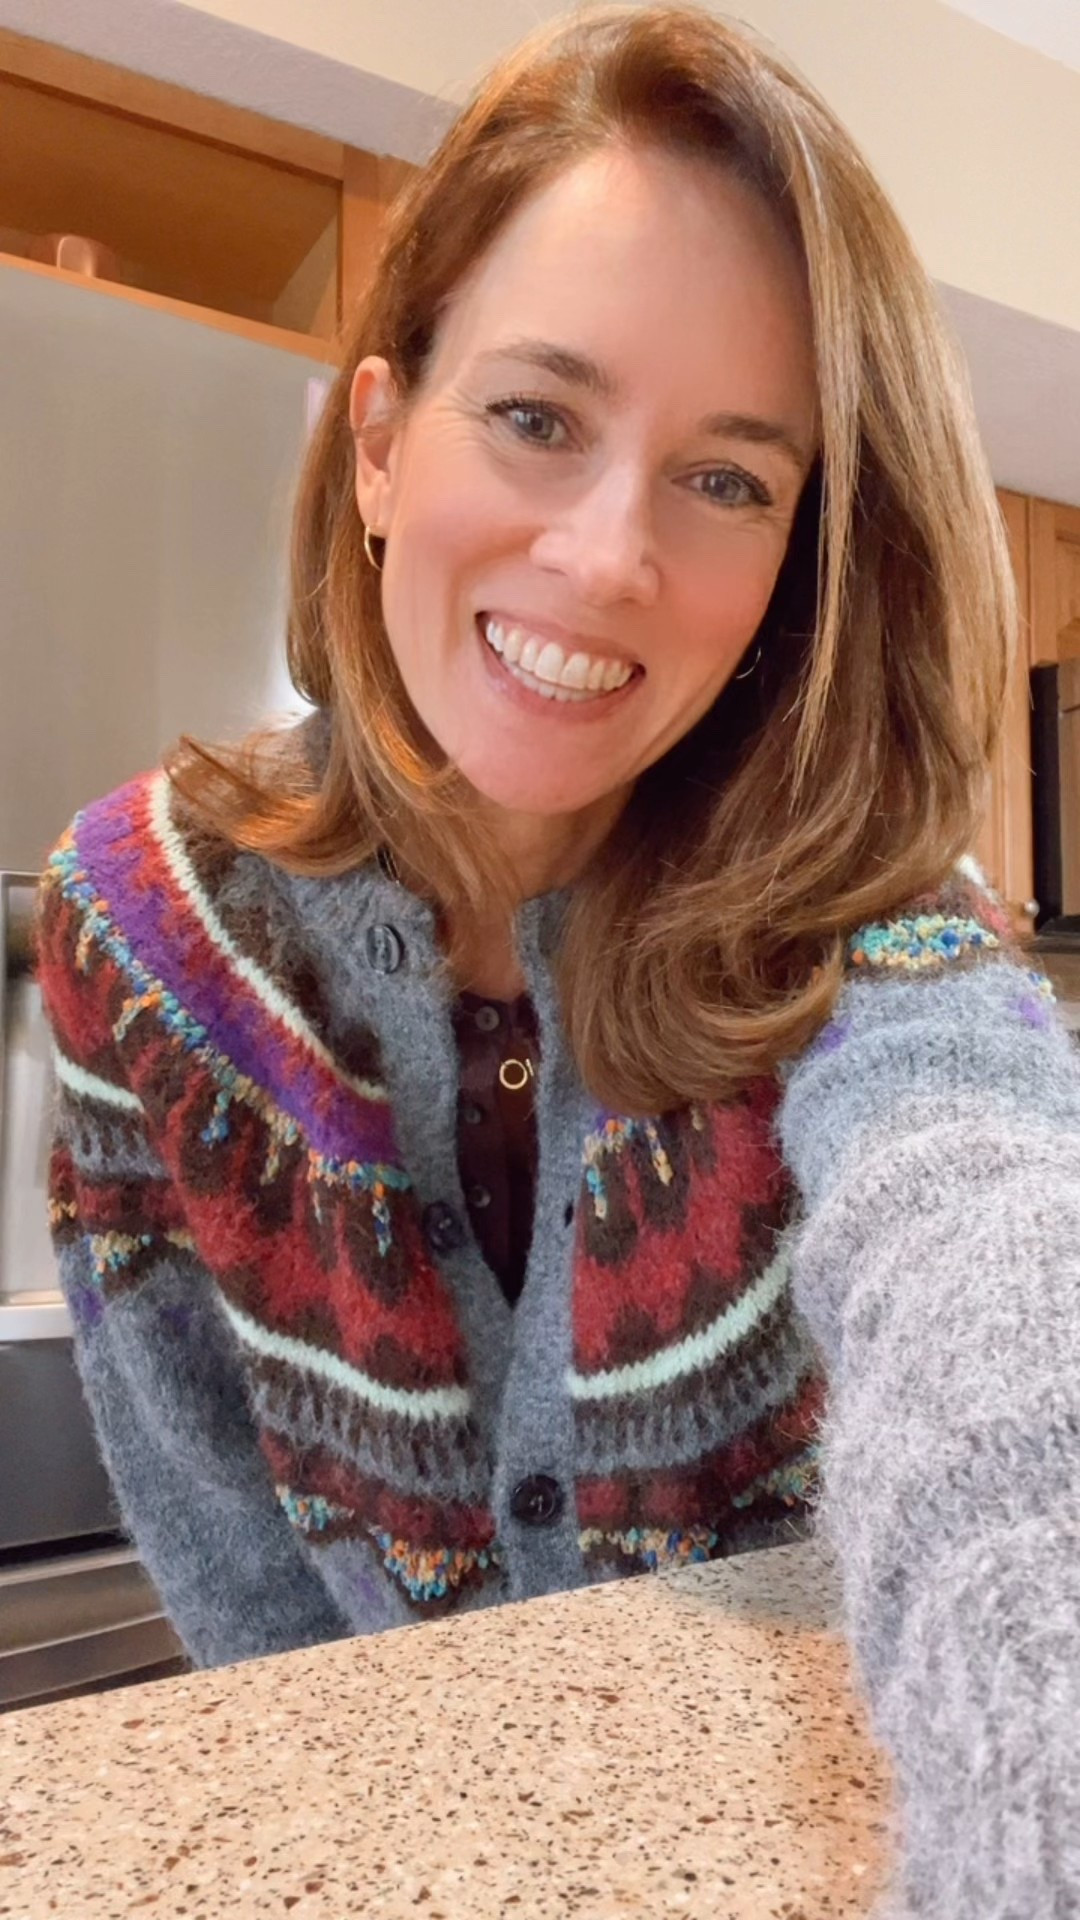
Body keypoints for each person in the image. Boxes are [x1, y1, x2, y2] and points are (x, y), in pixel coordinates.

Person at [36, 5, 1079, 1914]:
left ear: (796, 568)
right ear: (377, 443)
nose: (610, 559)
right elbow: (225, 1554)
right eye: (536, 416)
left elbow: (998, 1274)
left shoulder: (861, 917)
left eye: (730, 478)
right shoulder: (140, 927)